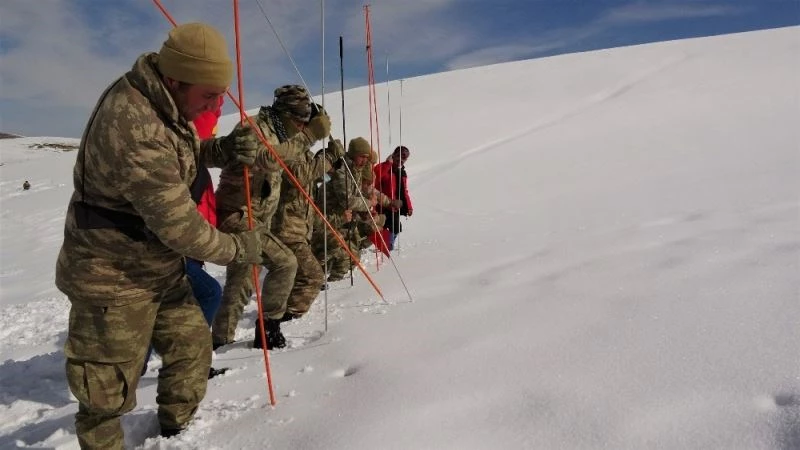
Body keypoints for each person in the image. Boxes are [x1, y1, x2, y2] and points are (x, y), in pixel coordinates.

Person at [55, 23, 264, 449]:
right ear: (175, 79)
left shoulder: (164, 101)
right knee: (105, 394)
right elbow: (180, 227)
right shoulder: (133, 126)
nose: (215, 104)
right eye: (208, 96)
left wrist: (222, 150)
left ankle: (173, 432)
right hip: (113, 278)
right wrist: (238, 249)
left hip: (158, 267)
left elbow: (182, 152)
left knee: (191, 349)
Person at [212, 85, 331, 350]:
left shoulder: (280, 132)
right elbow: (267, 159)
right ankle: (268, 328)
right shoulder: (254, 128)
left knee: (239, 285)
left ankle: (219, 342)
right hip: (238, 217)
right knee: (285, 262)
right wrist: (310, 135)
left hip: (255, 220)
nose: (301, 128)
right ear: (287, 116)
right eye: (300, 123)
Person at [141, 96, 225, 378]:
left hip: (190, 250)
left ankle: (180, 357)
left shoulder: (195, 163)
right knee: (208, 293)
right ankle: (190, 357)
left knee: (173, 306)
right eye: (209, 134)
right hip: (174, 251)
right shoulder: (179, 160)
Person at [265, 128, 344, 348]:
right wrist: (327, 157)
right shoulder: (290, 150)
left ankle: (284, 315)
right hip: (286, 227)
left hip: (302, 227)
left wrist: (328, 161)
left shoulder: (306, 154)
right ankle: (286, 317)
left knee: (300, 273)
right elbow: (299, 175)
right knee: (311, 275)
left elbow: (315, 176)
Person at [374, 145, 413, 250]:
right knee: (380, 227)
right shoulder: (383, 167)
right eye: (399, 156)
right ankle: (385, 245)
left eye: (404, 158)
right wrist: (388, 164)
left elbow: (404, 191)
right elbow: (376, 177)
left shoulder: (402, 173)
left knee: (396, 228)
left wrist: (409, 206)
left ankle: (387, 245)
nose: (401, 160)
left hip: (394, 206)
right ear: (394, 155)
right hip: (381, 204)